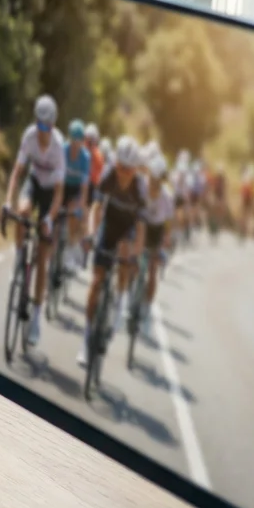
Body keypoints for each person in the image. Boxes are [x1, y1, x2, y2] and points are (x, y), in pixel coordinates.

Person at [2, 94, 66, 347]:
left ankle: (37, 317)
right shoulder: (29, 137)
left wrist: (50, 219)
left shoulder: (59, 147)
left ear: (52, 126)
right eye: (38, 125)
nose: (41, 131)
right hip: (34, 183)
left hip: (51, 193)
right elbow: (17, 174)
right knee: (22, 210)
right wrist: (8, 201)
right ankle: (19, 256)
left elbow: (60, 193)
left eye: (46, 127)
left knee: (42, 255)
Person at [80, 136, 148, 364]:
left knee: (125, 253)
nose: (123, 173)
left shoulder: (140, 188)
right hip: (109, 226)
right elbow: (96, 207)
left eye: (128, 170)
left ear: (135, 170)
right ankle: (86, 339)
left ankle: (120, 301)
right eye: (120, 167)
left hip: (127, 231)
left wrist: (136, 256)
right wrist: (90, 234)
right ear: (116, 163)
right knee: (96, 281)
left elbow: (140, 228)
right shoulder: (108, 175)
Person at [138, 155, 176, 338]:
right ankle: (127, 295)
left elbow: (168, 225)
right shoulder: (141, 186)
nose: (154, 185)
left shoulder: (167, 197)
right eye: (152, 179)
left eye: (158, 181)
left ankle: (145, 311)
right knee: (133, 260)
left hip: (156, 230)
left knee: (152, 270)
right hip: (142, 224)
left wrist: (165, 242)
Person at [61, 120, 92, 270]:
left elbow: (85, 188)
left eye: (79, 142)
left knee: (73, 213)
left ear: (82, 142)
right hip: (62, 186)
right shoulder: (63, 150)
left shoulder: (85, 158)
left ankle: (70, 247)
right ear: (70, 139)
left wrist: (80, 207)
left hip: (76, 190)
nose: (75, 145)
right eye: (73, 141)